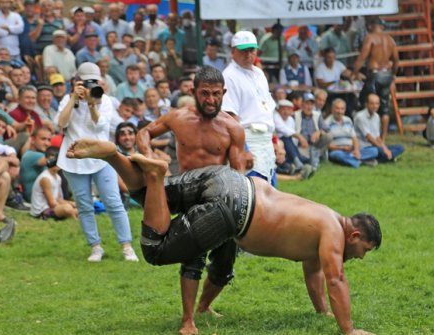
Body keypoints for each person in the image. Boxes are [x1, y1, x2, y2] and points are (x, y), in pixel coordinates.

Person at [66, 140, 381, 335]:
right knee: (156, 249)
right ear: (354, 234)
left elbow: (314, 272)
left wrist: (323, 311)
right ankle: (155, 174)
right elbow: (335, 278)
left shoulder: (324, 217)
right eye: (364, 249)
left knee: (150, 196)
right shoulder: (334, 236)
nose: (361, 257)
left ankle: (114, 157)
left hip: (230, 180)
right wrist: (349, 330)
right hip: (236, 210)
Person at [129, 66, 249, 335]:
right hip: (186, 193)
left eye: (216, 94)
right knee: (193, 256)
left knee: (225, 263)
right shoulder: (178, 118)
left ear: (224, 93)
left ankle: (203, 306)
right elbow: (144, 133)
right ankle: (187, 321)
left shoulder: (233, 129)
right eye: (204, 93)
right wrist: (149, 156)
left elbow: (238, 175)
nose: (210, 100)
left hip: (219, 198)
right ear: (193, 92)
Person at [55, 62, 138, 263]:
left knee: (113, 201)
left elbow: (101, 125)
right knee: (84, 205)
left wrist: (92, 104)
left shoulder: (105, 100)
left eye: (95, 81)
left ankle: (127, 246)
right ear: (77, 82)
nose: (92, 86)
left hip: (101, 157)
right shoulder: (68, 99)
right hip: (74, 158)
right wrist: (74, 98)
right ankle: (95, 247)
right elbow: (61, 123)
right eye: (87, 82)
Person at [222, 31, 275, 184]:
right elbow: (230, 117)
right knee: (254, 192)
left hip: (266, 139)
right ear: (233, 52)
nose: (248, 54)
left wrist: (275, 141)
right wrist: (243, 148)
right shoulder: (229, 76)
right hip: (248, 137)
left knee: (271, 192)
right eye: (243, 50)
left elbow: (267, 111)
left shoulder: (259, 73)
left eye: (252, 50)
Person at [353, 18, 399, 142]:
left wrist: (354, 72)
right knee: (384, 108)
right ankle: (382, 138)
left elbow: (362, 57)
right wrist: (393, 74)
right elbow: (396, 60)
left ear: (371, 26)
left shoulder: (370, 38)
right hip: (387, 75)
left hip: (374, 74)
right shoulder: (390, 39)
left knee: (366, 103)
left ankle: (368, 135)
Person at [326, 99, 379, 168]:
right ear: (332, 109)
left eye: (342, 109)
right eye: (337, 108)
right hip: (338, 150)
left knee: (374, 151)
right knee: (336, 155)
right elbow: (327, 145)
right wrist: (342, 148)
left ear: (345, 110)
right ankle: (361, 161)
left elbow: (354, 138)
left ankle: (353, 159)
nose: (340, 111)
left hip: (352, 150)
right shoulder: (327, 123)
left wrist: (356, 150)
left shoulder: (348, 120)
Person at [29, 147, 77, 220]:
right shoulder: (45, 178)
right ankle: (74, 215)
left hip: (53, 206)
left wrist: (71, 204)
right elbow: (51, 203)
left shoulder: (58, 177)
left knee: (75, 205)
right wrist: (67, 206)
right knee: (67, 208)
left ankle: (73, 212)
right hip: (42, 211)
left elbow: (58, 199)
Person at [354, 94, 404, 163]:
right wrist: (383, 149)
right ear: (366, 104)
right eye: (372, 104)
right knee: (376, 151)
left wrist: (385, 148)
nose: (375, 106)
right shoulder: (360, 117)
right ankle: (385, 158)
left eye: (377, 104)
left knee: (400, 147)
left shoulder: (376, 116)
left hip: (375, 145)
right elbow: (369, 137)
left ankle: (379, 159)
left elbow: (377, 137)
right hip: (364, 147)